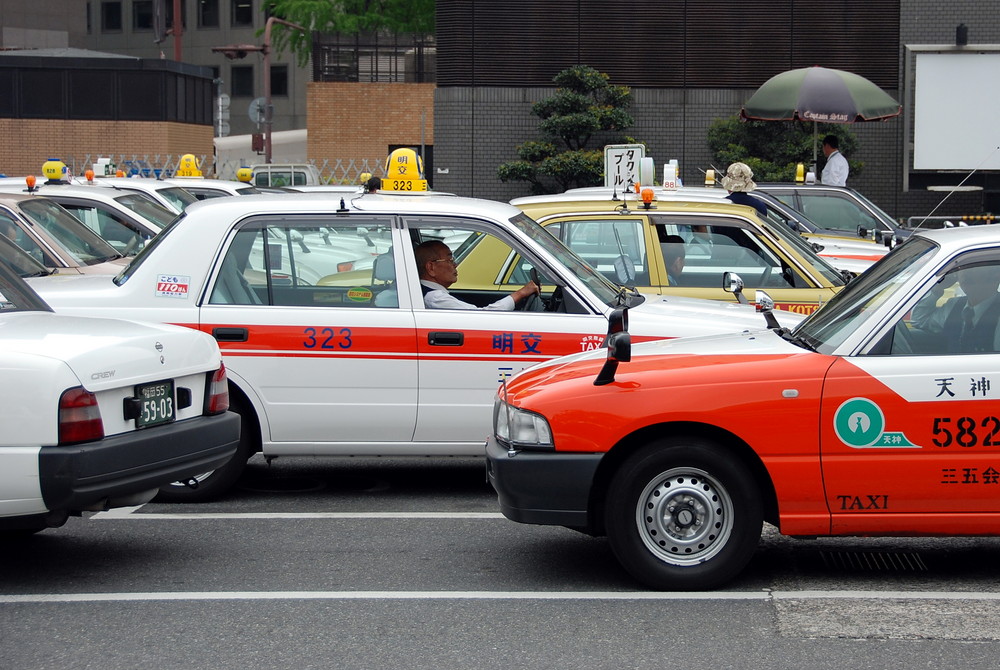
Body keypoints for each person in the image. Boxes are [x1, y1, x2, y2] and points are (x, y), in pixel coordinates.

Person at [415, 239, 538, 310]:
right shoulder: (435, 298)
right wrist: (520, 294)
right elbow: (483, 317)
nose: (455, 265)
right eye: (449, 260)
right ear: (431, 267)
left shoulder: (430, 293)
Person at [909, 264, 1000, 354]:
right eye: (961, 269)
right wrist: (937, 289)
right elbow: (919, 320)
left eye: (972, 268)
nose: (964, 274)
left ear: (995, 276)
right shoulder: (954, 305)